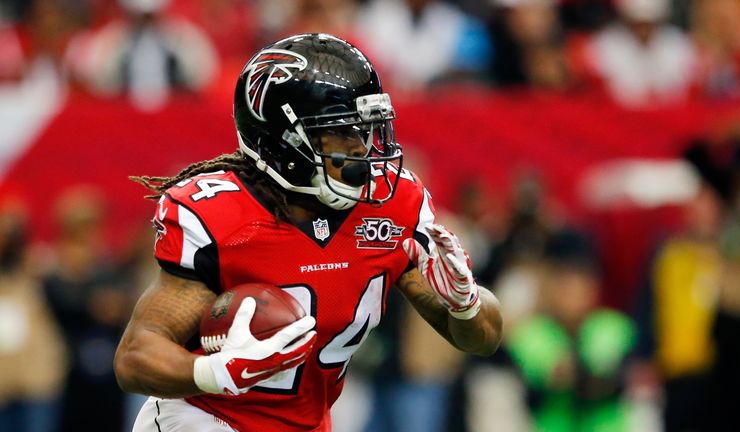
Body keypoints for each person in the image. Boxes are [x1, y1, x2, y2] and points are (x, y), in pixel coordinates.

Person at [114, 32, 503, 432]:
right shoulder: (220, 215)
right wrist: (216, 372)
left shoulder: (392, 203)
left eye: (364, 129)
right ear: (282, 140)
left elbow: (482, 339)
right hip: (205, 418)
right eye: (340, 131)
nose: (361, 148)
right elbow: (134, 356)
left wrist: (467, 303)